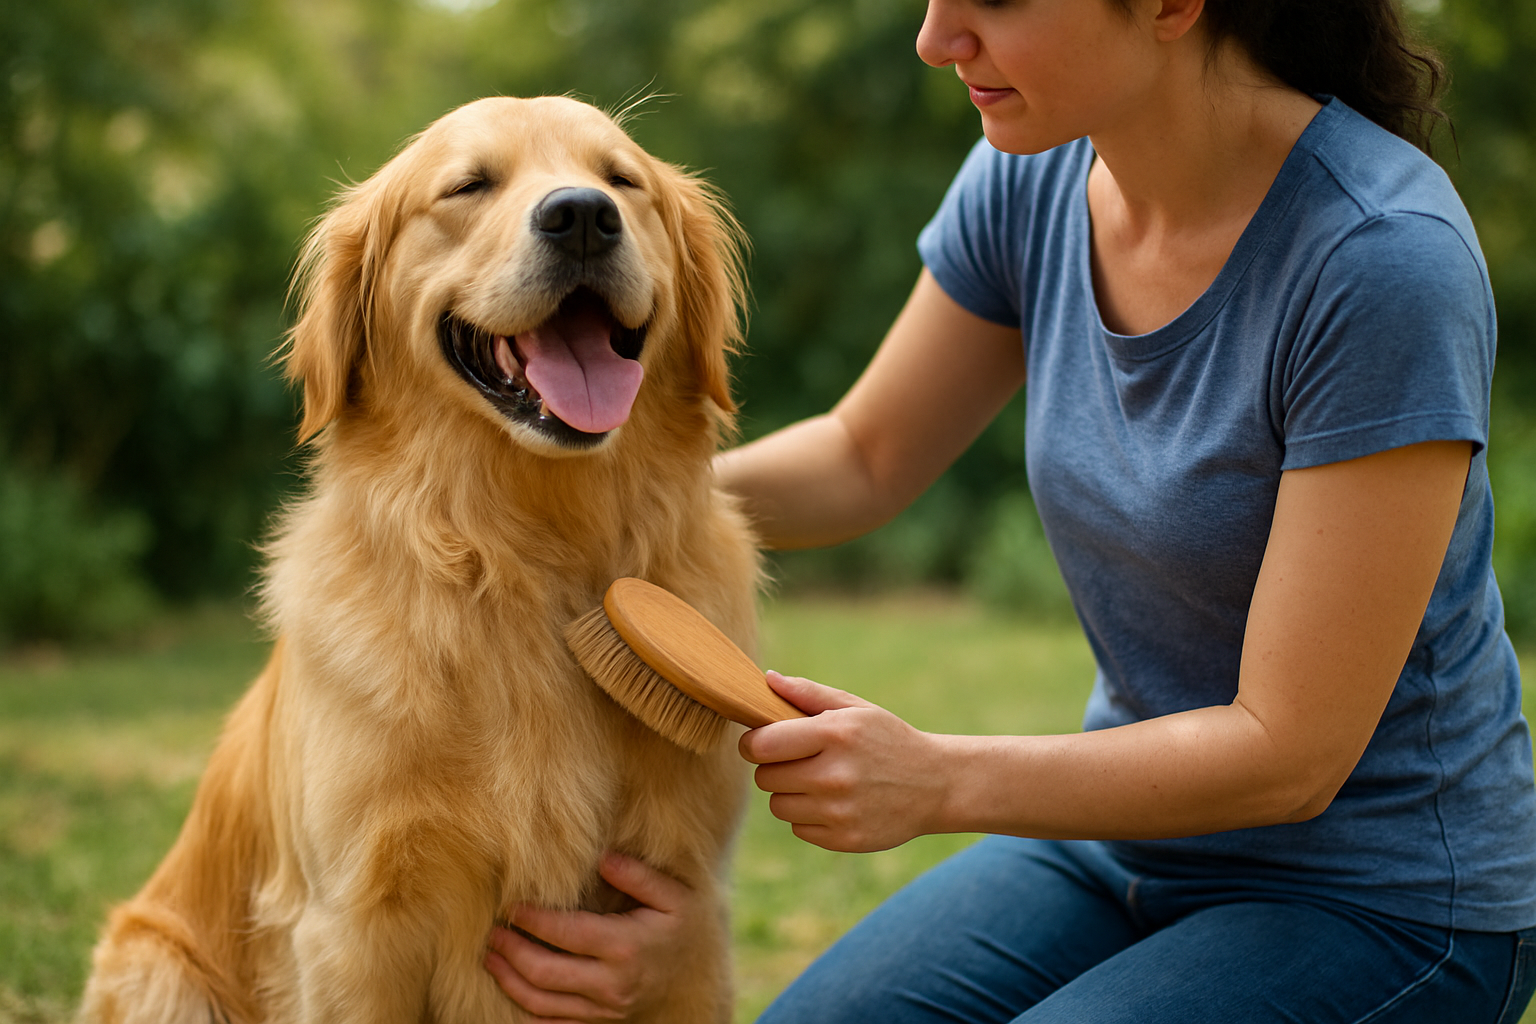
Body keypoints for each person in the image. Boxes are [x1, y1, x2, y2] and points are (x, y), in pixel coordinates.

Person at [484, 0, 1536, 1019]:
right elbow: (867, 455)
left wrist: (936, 780)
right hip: (1120, 846)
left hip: (1385, 900)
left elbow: (1289, 751)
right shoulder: (1033, 170)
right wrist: (584, 509)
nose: (935, 38)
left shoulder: (1379, 257)